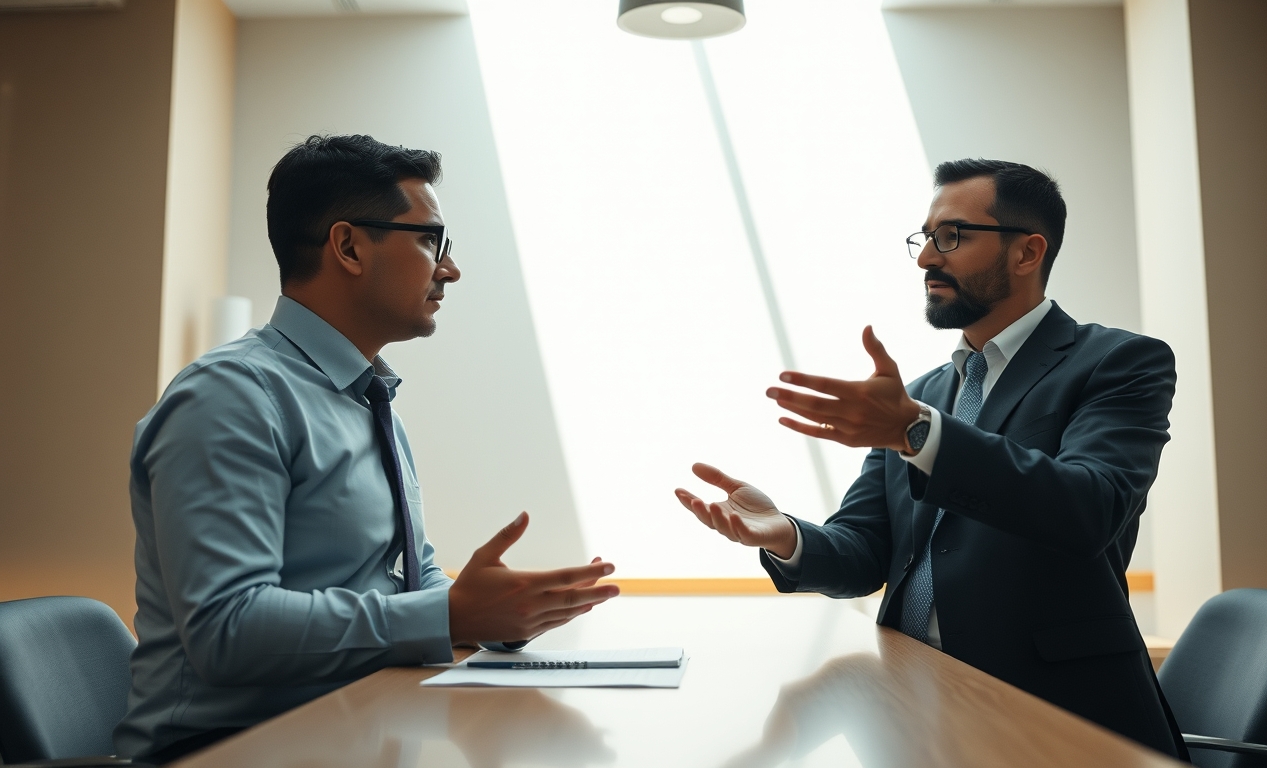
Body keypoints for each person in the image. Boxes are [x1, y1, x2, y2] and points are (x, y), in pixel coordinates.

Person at [115, 135, 619, 762]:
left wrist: (498, 610)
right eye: (431, 240)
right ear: (349, 246)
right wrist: (449, 616)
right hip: (224, 750)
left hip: (353, 731)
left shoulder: (369, 397)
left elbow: (410, 577)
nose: (450, 268)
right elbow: (227, 629)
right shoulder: (229, 399)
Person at [675, 159, 1184, 757]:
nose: (925, 259)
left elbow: (1090, 507)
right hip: (910, 704)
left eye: (953, 237)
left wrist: (919, 433)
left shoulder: (1118, 362)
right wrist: (786, 536)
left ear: (1027, 253)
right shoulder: (921, 396)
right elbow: (866, 553)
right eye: (925, 238)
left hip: (1055, 714)